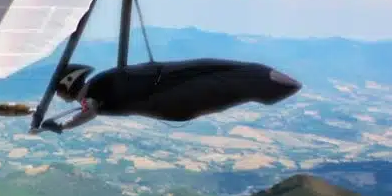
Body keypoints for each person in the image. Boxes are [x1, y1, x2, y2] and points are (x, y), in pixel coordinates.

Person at [37, 59, 302, 134]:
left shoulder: (94, 90)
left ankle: (265, 83)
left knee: (220, 79)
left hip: (170, 100)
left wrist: (61, 126)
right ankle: (265, 83)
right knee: (216, 75)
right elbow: (90, 108)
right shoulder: (98, 84)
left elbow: (89, 111)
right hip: (169, 97)